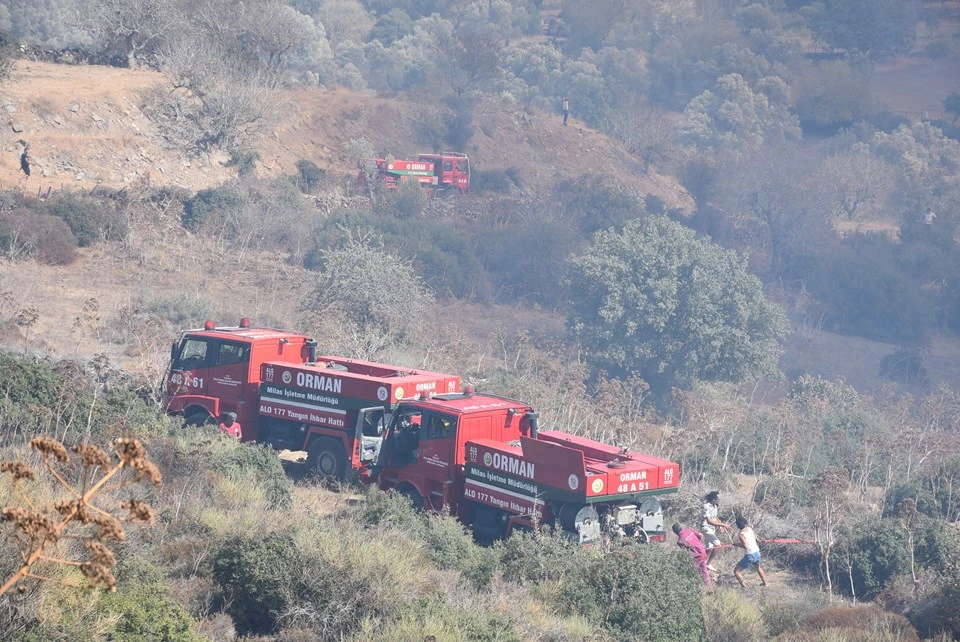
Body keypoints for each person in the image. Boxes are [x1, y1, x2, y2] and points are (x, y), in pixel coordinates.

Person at [673, 522, 711, 588]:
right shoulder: (689, 530)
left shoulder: (679, 541)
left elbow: (685, 551)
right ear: (681, 527)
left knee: (691, 571)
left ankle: (694, 588)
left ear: (675, 532)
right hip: (703, 551)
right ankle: (709, 588)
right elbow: (701, 535)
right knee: (704, 571)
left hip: (697, 556)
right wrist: (699, 543)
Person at [733, 516, 768, 588]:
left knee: (736, 571)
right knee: (758, 567)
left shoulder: (741, 535)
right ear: (745, 523)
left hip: (750, 555)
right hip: (757, 552)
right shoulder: (749, 529)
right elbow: (757, 540)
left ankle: (744, 587)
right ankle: (765, 583)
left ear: (738, 526)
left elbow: (745, 546)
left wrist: (737, 545)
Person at [702, 490, 731, 572]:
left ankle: (700, 562)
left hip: (712, 529)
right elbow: (709, 521)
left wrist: (719, 525)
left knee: (709, 548)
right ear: (713, 499)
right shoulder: (706, 506)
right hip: (706, 528)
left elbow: (714, 518)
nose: (719, 500)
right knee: (718, 545)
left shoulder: (715, 506)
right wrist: (723, 525)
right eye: (718, 498)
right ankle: (708, 564)